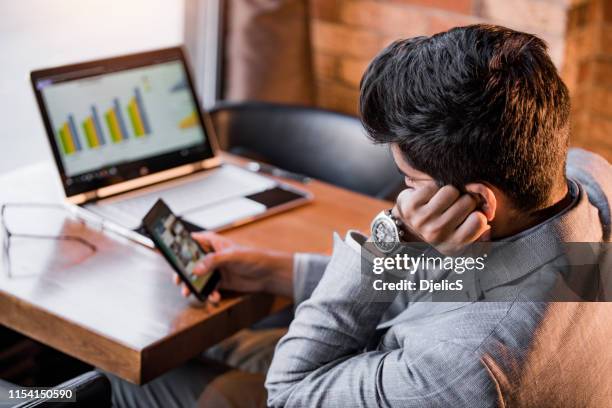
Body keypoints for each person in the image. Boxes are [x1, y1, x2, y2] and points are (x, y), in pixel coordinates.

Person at [107, 24, 612, 407]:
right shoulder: (586, 181)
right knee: (224, 342)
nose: (402, 196)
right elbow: (467, 282)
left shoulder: (467, 368)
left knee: (122, 380)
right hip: (385, 357)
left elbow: (288, 392)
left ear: (478, 202)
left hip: (361, 376)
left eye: (410, 183)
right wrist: (273, 269)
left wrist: (394, 235)